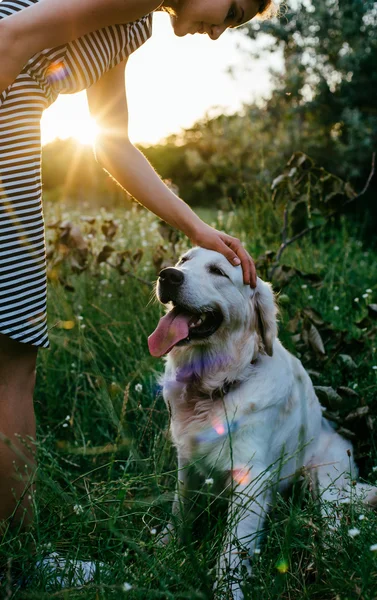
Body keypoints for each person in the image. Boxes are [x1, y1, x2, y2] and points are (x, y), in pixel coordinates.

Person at [0, 0, 273, 530]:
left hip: (15, 142)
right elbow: (9, 38)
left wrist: (196, 228)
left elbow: (113, 143)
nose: (219, 32)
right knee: (10, 366)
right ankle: (17, 567)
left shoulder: (133, 23)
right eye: (232, 10)